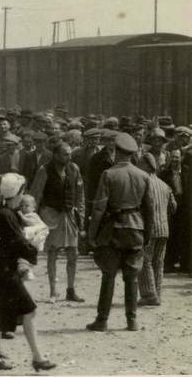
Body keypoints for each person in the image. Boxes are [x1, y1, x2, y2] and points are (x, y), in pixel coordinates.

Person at [0, 173, 56, 371]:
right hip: (5, 273)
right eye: (21, 192)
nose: (22, 196)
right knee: (30, 310)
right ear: (15, 193)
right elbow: (18, 243)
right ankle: (37, 357)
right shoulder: (7, 215)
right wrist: (34, 247)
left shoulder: (0, 211)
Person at [87, 133, 154, 332]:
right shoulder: (143, 176)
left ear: (116, 151)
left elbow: (99, 208)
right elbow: (149, 209)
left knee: (108, 275)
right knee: (131, 277)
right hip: (136, 229)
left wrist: (92, 234)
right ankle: (131, 320)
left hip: (112, 230)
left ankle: (102, 319)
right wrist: (147, 235)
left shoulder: (108, 174)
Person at [29, 142, 85, 303]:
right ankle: (53, 292)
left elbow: (80, 195)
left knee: (73, 253)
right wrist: (35, 221)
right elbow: (35, 195)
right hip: (51, 215)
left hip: (69, 215)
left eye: (70, 154)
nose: (69, 157)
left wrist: (80, 216)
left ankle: (71, 290)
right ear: (56, 155)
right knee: (52, 253)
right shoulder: (44, 170)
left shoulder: (74, 169)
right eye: (65, 154)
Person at [137, 153, 176, 306]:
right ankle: (157, 293)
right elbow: (173, 206)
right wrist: (164, 215)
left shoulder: (144, 183)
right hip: (164, 228)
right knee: (158, 262)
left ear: (147, 166)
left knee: (145, 260)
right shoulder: (164, 184)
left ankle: (148, 294)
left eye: (139, 164)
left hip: (149, 228)